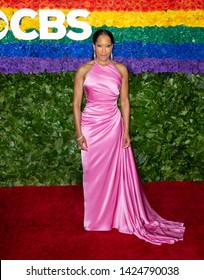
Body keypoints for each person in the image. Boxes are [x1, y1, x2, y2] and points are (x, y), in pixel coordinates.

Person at [73, 29, 185, 245]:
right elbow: (76, 105)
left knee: (116, 174)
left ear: (112, 47)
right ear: (93, 46)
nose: (103, 50)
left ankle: (118, 216)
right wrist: (79, 134)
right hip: (91, 128)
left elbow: (124, 102)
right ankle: (96, 220)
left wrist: (126, 131)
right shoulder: (83, 71)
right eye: (99, 45)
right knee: (93, 174)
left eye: (108, 46)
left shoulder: (121, 70)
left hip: (113, 126)